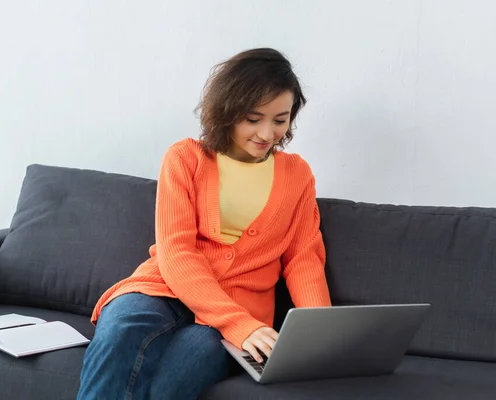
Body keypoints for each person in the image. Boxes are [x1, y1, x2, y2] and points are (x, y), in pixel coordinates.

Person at [76, 47, 332, 400]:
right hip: (163, 288)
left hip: (236, 309)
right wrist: (238, 324)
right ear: (227, 111)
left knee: (183, 367)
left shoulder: (297, 174)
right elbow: (176, 250)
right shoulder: (185, 158)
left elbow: (303, 258)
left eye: (280, 119)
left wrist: (322, 337)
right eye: (253, 118)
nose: (267, 133)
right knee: (120, 327)